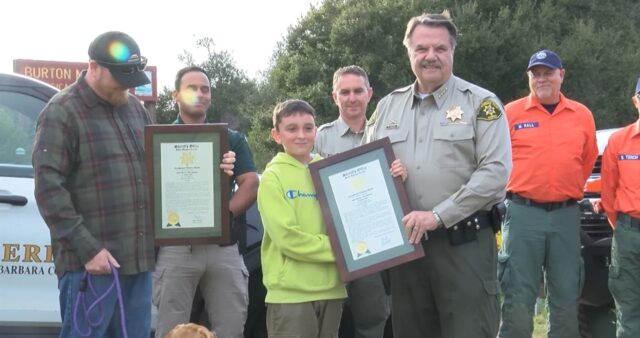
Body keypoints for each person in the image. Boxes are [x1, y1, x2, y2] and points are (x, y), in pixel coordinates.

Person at [364, 11, 511, 338]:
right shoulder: (388, 107)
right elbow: (366, 170)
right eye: (421, 49)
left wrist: (437, 215)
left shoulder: (481, 104)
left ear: (452, 52)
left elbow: (495, 174)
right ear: (409, 52)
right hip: (406, 251)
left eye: (440, 49)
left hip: (464, 246)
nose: (430, 56)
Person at [153, 66, 259, 338]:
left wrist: (223, 214)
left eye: (205, 89)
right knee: (171, 331)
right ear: (176, 94)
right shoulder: (159, 140)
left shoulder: (231, 139)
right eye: (192, 88)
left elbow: (250, 183)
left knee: (232, 326)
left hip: (222, 246)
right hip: (176, 246)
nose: (200, 94)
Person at [498, 49, 598, 338]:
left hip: (566, 216)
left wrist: (562, 188)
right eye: (535, 74)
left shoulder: (582, 115)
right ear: (529, 78)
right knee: (517, 297)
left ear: (561, 75)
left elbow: (587, 160)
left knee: (566, 297)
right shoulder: (511, 112)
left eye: (548, 73)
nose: (541, 79)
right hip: (522, 214)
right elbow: (498, 159)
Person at [314, 65, 390, 338]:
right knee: (327, 322)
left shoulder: (385, 132)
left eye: (358, 91)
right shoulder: (319, 137)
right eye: (344, 92)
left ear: (369, 93)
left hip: (373, 245)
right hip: (331, 245)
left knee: (372, 319)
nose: (352, 98)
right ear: (334, 97)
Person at [600, 77, 640, 338]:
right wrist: (624, 228)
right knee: (629, 309)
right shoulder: (619, 141)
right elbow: (608, 191)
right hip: (629, 234)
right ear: (636, 101)